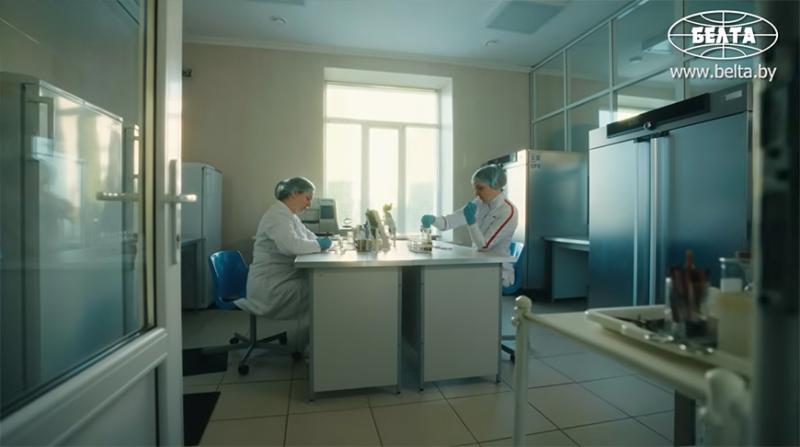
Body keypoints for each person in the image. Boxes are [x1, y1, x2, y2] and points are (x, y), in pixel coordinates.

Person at [236, 177, 331, 346]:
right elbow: (291, 246)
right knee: (321, 289)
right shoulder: (277, 216)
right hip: (270, 288)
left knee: (319, 285)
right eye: (307, 198)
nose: (309, 205)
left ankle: (315, 341)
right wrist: (319, 245)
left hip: (280, 279)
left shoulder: (289, 216)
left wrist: (323, 242)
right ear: (294, 193)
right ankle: (314, 346)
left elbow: (308, 236)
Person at [421, 164, 518, 287]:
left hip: (498, 269)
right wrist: (434, 220)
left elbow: (484, 246)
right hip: (478, 262)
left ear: (495, 186)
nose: (476, 194)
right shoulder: (480, 202)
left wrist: (471, 222)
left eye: (480, 188)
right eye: (475, 188)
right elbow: (449, 222)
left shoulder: (507, 211)